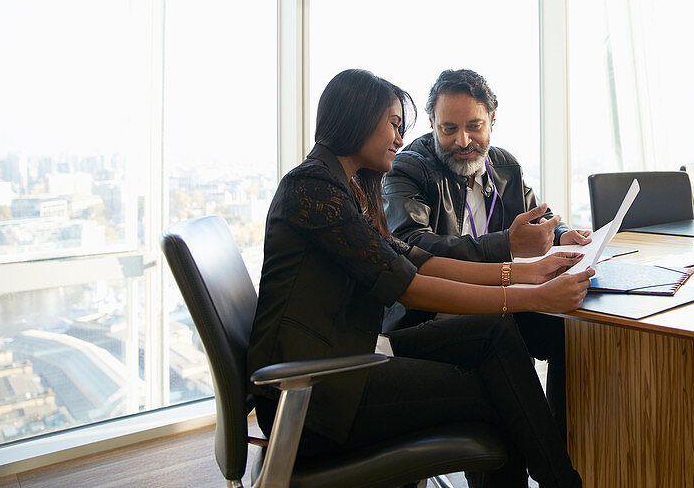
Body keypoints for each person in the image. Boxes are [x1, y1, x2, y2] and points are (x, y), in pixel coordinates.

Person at [247, 69, 590, 487]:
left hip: (347, 360)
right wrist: (534, 297)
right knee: (500, 391)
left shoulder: (345, 187)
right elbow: (410, 286)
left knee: (493, 334)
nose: (399, 137)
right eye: (393, 123)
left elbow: (417, 261)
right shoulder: (314, 189)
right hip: (317, 396)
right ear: (358, 119)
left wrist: (527, 272)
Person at [382, 68, 592, 432]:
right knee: (501, 354)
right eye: (449, 129)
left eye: (474, 126)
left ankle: (571, 449)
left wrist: (561, 234)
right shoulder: (407, 169)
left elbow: (539, 215)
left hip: (499, 299)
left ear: (492, 120)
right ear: (432, 123)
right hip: (428, 316)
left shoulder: (505, 166)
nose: (463, 141)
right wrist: (505, 245)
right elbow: (412, 247)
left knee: (569, 335)